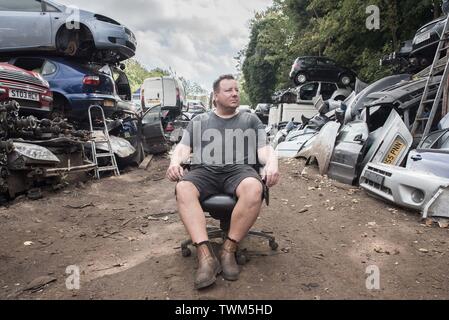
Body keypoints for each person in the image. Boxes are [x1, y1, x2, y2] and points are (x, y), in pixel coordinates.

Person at [166, 74, 280, 290]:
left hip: (239, 171)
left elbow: (264, 150)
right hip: (204, 171)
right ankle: (205, 255)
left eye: (236, 89)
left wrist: (272, 162)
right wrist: (175, 161)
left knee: (254, 187)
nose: (235, 93)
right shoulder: (199, 121)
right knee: (183, 187)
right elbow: (183, 148)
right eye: (228, 90)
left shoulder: (250, 120)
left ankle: (228, 249)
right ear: (216, 96)